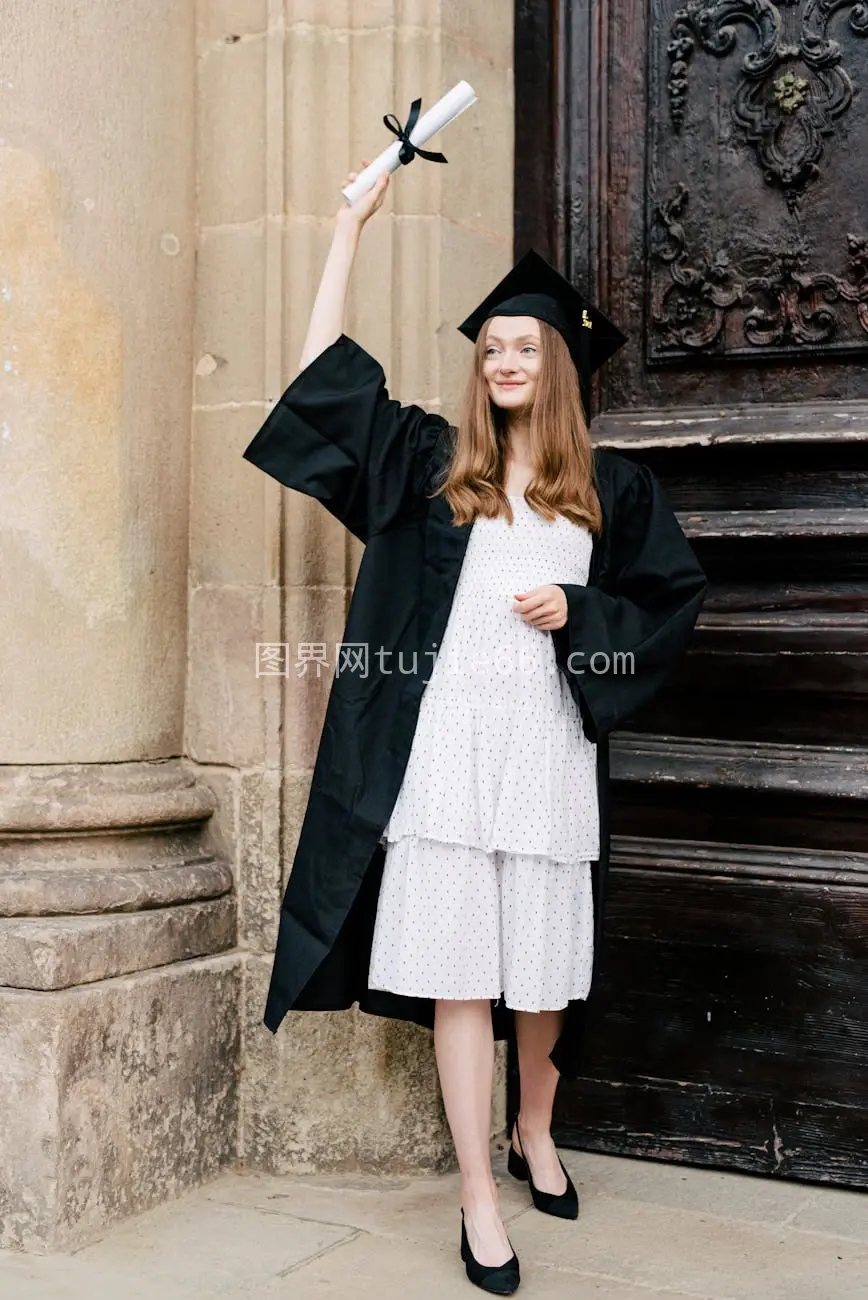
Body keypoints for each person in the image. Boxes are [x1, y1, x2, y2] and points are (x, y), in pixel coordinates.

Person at [242, 162, 708, 1295]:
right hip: (446, 758)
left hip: (545, 754)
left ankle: (532, 1127)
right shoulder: (424, 469)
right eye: (492, 345)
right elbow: (318, 377)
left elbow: (666, 609)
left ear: (557, 368)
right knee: (464, 977)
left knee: (539, 979)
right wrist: (348, 221)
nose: (504, 359)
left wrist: (579, 614)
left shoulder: (612, 493)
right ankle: (476, 1193)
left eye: (525, 346)